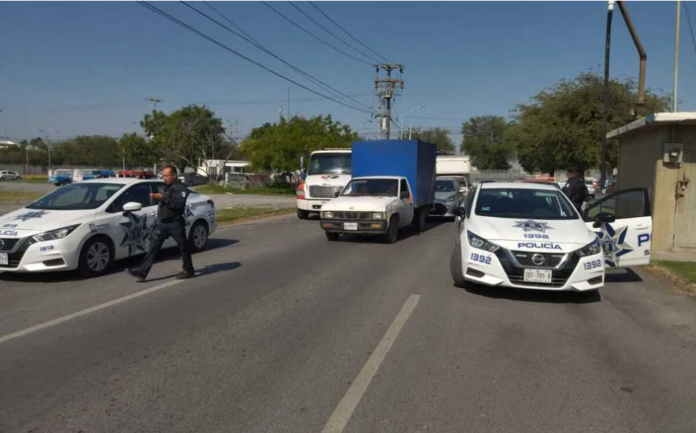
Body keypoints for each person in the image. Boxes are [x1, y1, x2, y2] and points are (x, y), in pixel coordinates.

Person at [127, 165, 194, 282]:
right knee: (153, 247)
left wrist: (162, 197)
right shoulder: (167, 188)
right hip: (162, 223)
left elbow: (178, 204)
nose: (165, 178)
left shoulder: (180, 188)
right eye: (163, 175)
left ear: (174, 175)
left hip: (175, 223)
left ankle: (188, 269)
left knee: (183, 247)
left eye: (167, 175)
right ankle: (142, 272)